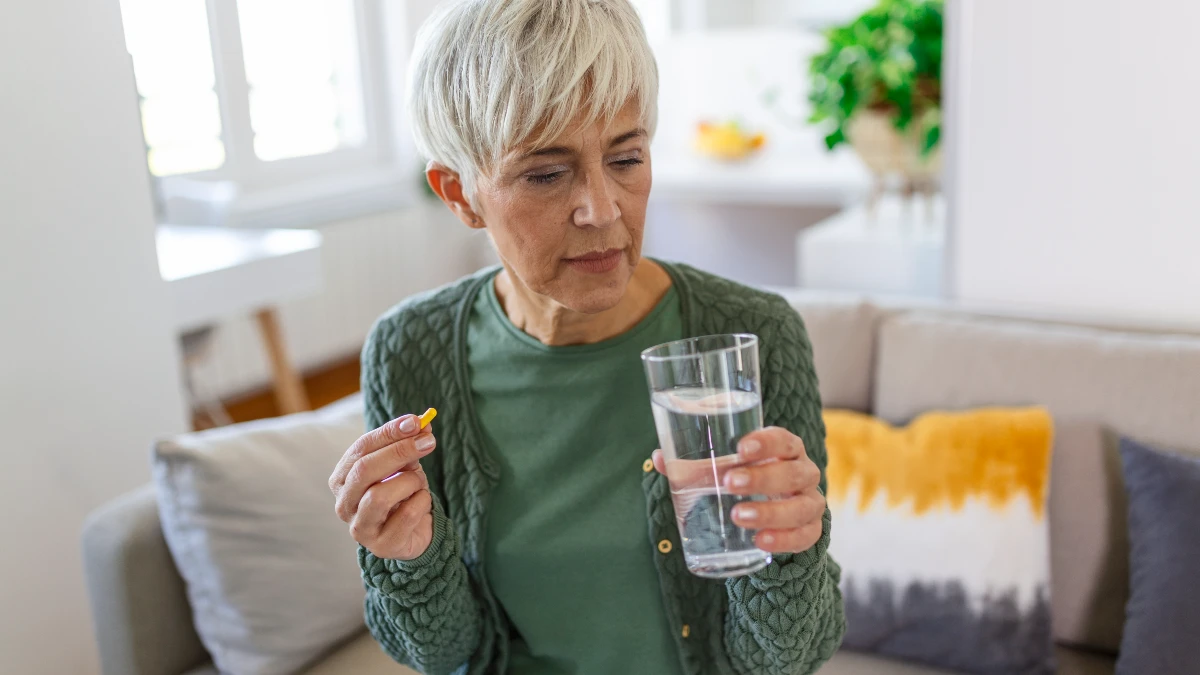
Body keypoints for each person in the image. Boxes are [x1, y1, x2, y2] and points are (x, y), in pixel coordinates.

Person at [327, 1, 845, 673]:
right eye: (546, 173)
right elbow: (445, 652)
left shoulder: (753, 334)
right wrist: (408, 557)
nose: (602, 209)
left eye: (626, 157)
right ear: (459, 193)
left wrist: (789, 548)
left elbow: (786, 657)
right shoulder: (410, 350)